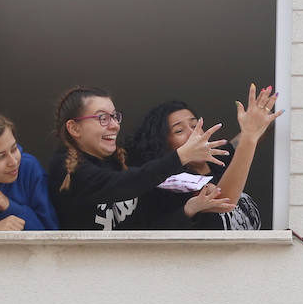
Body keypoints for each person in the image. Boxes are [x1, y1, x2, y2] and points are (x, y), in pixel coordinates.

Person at [46, 85, 232, 231]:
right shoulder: (65, 168)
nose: (114, 126)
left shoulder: (119, 161)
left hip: (132, 272)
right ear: (74, 128)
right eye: (103, 118)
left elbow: (146, 231)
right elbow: (124, 184)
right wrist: (181, 156)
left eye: (114, 116)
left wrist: (188, 209)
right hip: (89, 275)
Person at [125, 84, 282, 230]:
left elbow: (258, 131)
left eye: (194, 125)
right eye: (179, 130)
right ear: (166, 147)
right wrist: (250, 135)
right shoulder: (174, 182)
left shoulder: (220, 160)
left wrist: (265, 114)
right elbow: (224, 201)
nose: (193, 132)